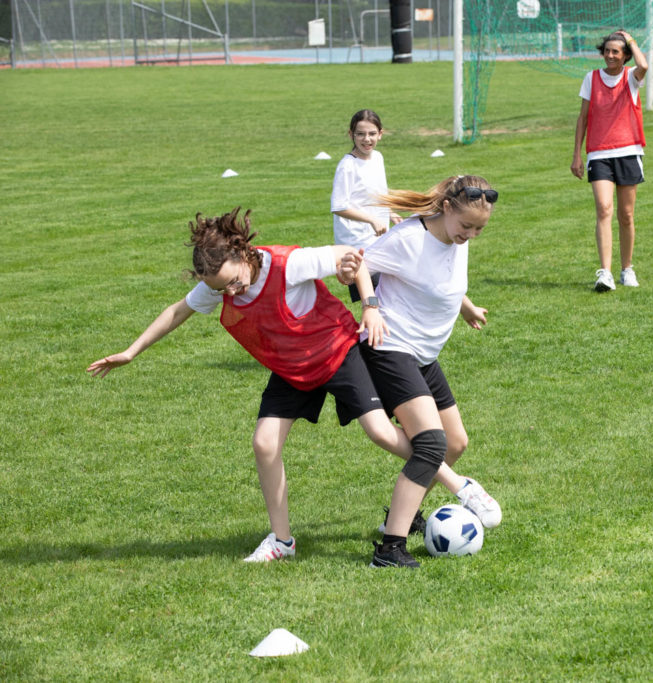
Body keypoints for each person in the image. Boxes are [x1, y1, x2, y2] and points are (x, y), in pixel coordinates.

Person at [86, 207, 499, 567]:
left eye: (234, 281)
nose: (231, 292)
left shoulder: (288, 264)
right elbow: (177, 311)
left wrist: (369, 304)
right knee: (264, 443)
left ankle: (457, 483)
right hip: (292, 368)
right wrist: (131, 351)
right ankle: (282, 542)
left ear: (243, 254)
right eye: (220, 289)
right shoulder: (218, 283)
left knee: (378, 431)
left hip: (338, 352)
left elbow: (352, 257)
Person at [340, 175, 501, 569]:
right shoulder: (409, 239)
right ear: (447, 209)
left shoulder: (454, 236)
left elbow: (437, 277)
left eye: (480, 229)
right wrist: (371, 306)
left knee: (455, 443)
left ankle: (406, 513)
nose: (471, 235)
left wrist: (465, 306)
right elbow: (356, 264)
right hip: (390, 348)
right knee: (430, 444)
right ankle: (390, 549)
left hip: (424, 353)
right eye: (467, 226)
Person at [571, 30, 648, 293]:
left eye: (616, 51)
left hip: (628, 152)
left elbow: (644, 65)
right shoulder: (591, 78)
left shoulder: (631, 77)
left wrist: (631, 40)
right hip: (599, 153)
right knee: (604, 208)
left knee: (626, 215)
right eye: (607, 50)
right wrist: (576, 155)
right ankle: (605, 273)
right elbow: (583, 118)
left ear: (625, 55)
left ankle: (626, 269)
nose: (610, 55)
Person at [331, 109, 401, 302]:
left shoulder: (377, 158)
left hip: (378, 239)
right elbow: (339, 206)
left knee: (388, 295)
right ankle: (370, 331)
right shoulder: (347, 166)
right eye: (360, 134)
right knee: (373, 300)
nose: (366, 139)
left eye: (371, 134)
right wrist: (371, 219)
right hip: (356, 244)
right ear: (350, 135)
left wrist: (390, 212)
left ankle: (377, 330)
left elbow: (373, 194)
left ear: (380, 134)